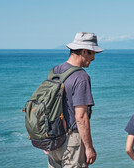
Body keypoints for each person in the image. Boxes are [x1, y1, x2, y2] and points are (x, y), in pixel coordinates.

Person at [47, 32, 103, 168]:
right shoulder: (81, 77)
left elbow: (47, 106)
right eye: (92, 53)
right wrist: (89, 147)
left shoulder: (54, 72)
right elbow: (81, 117)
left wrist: (46, 138)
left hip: (53, 138)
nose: (94, 58)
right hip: (72, 141)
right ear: (84, 51)